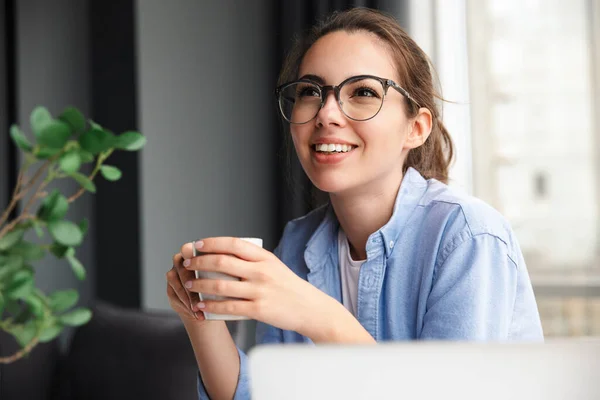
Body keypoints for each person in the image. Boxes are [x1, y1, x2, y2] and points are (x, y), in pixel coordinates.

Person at [166, 7, 544, 400]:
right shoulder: (298, 245)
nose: (327, 114)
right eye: (310, 91)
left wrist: (315, 314)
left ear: (415, 128)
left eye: (363, 92)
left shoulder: (469, 238)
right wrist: (200, 317)